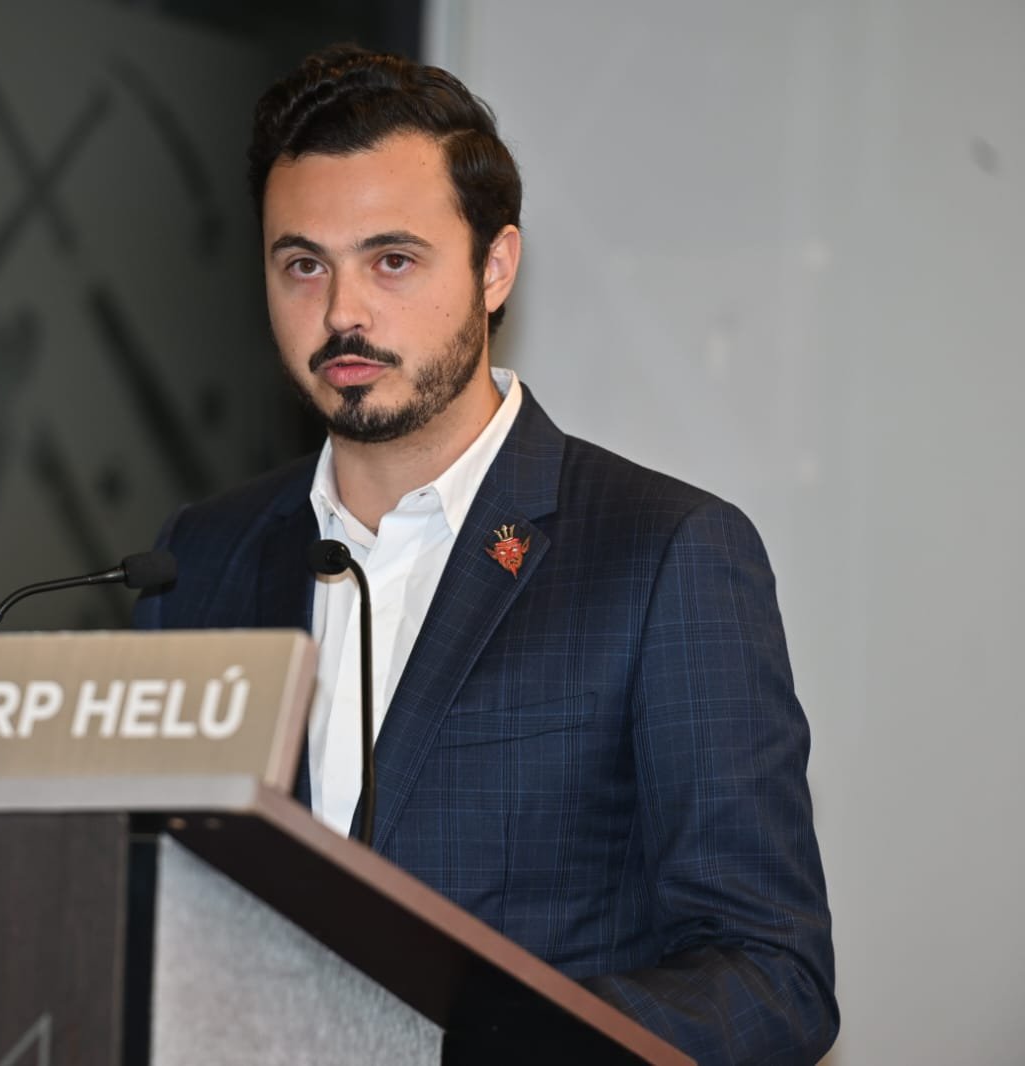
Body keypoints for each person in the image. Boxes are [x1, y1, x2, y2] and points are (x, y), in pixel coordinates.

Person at [133, 45, 836, 1063]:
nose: (342, 312)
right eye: (303, 265)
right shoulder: (199, 559)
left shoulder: (662, 554)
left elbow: (772, 976)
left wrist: (477, 1051)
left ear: (494, 267)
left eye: (392, 260)